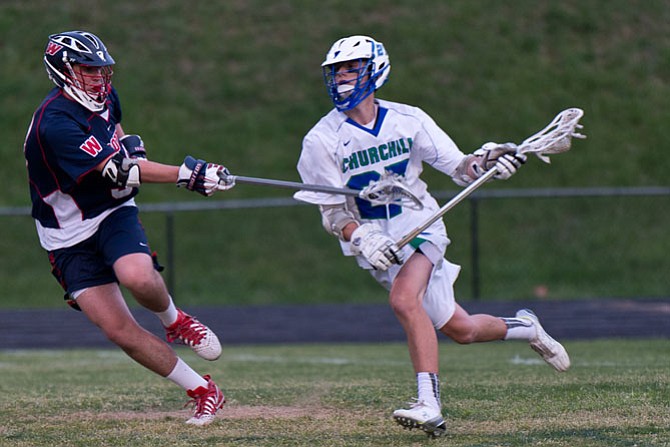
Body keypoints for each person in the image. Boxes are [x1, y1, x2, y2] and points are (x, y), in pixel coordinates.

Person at [294, 35, 570, 438]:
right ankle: (527, 327)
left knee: (404, 301)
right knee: (462, 330)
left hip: (421, 225)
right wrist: (361, 238)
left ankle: (428, 404)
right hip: (377, 244)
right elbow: (333, 214)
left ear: (375, 71)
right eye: (336, 71)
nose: (342, 78)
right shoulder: (321, 140)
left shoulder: (410, 120)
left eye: (351, 69)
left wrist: (490, 161)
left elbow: (461, 167)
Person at [24, 30, 235, 426]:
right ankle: (204, 391)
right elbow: (122, 169)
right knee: (119, 330)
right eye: (88, 69)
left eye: (102, 69)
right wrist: (190, 174)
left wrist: (127, 145)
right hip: (66, 234)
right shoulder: (54, 123)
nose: (99, 78)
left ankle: (175, 320)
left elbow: (115, 136)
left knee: (137, 276)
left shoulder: (104, 98)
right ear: (63, 71)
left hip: (110, 210)